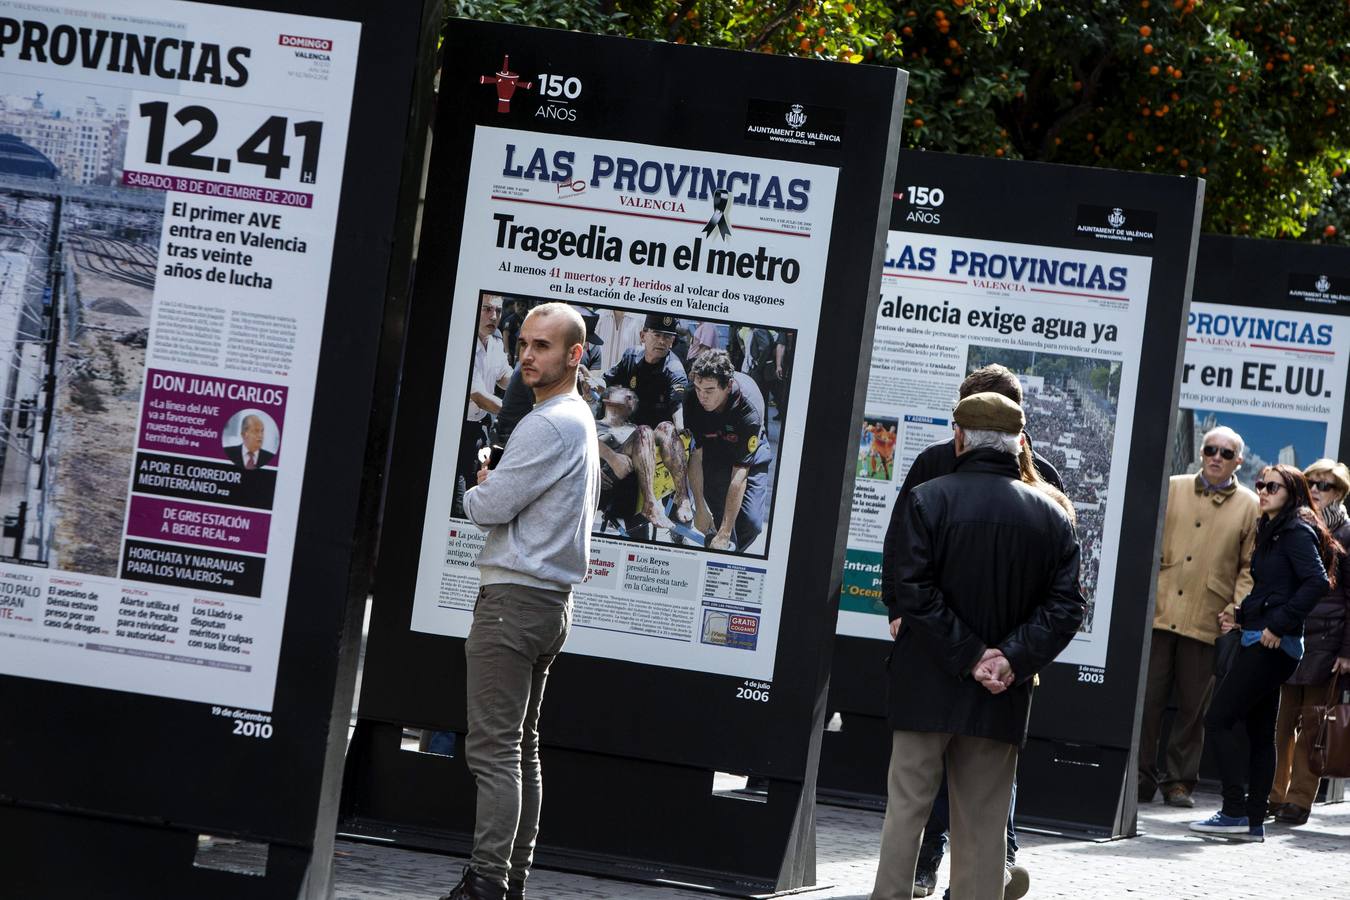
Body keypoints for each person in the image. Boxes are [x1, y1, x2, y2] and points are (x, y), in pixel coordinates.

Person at [871, 392, 1084, 900]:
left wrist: (970, 655)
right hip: (1002, 692)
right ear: (1019, 443)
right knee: (986, 824)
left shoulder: (929, 498)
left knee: (907, 810)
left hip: (926, 682)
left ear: (960, 436)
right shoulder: (1055, 515)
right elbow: (1066, 608)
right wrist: (1005, 659)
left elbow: (913, 592)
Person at [442, 303, 600, 900]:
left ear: (575, 355)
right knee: (520, 748)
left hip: (513, 602)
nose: (528, 356)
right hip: (547, 604)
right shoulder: (577, 417)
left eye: (543, 346)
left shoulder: (547, 423)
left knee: (492, 751)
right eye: (524, 344)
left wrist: (483, 486)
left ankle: (485, 884)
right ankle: (507, 884)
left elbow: (486, 508)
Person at [1190, 464, 1337, 843]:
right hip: (1261, 637)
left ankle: (1235, 810)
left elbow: (1317, 582)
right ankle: (1254, 821)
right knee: (1260, 733)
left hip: (1273, 644)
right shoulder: (1273, 529)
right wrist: (1243, 614)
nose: (1264, 490)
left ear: (1293, 492)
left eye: (1273, 486)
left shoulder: (1294, 529)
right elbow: (1273, 588)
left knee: (1219, 719)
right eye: (1261, 484)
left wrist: (1278, 625)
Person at [1138, 426, 1259, 809]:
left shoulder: (1250, 505)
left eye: (1226, 453)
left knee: (1193, 710)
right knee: (1147, 702)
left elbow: (1249, 566)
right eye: (1211, 449)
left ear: (1238, 460)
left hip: (1208, 618)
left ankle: (1179, 782)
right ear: (1201, 452)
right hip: (1158, 614)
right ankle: (1140, 778)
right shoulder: (1172, 487)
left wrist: (1235, 609)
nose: (1216, 457)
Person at [1267, 459, 1350, 825]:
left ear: (1341, 493)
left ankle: (1299, 800)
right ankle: (1274, 793)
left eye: (1326, 485)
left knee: (1314, 724)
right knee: (1282, 722)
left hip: (1328, 640)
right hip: (1291, 631)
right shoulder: (1295, 525)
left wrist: (1347, 652)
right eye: (1311, 481)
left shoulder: (1347, 534)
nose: (1316, 489)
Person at [604, 313, 691, 524]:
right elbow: (606, 381)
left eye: (668, 337)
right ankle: (650, 504)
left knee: (667, 428)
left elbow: (677, 403)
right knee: (641, 431)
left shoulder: (674, 369)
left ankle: (682, 496)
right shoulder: (630, 357)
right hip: (628, 441)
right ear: (643, 335)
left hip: (660, 448)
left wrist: (680, 427)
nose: (662, 341)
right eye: (657, 334)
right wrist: (590, 383)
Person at [684, 349, 773, 552]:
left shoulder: (748, 409)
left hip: (748, 457)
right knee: (718, 519)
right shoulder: (691, 397)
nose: (701, 397)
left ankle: (725, 550)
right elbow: (696, 456)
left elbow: (739, 474)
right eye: (698, 388)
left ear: (727, 386)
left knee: (751, 525)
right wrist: (699, 507)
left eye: (709, 390)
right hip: (713, 453)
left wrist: (724, 534)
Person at [456, 294, 513, 517]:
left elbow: (503, 376)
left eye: (497, 310)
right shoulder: (465, 342)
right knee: (462, 489)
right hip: (461, 429)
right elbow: (477, 395)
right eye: (487, 309)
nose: (494, 316)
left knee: (482, 483)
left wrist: (524, 385)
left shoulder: (496, 341)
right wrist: (514, 412)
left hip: (481, 426)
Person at [594, 385, 676, 530]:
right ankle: (650, 505)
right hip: (603, 486)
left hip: (634, 491)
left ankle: (656, 503)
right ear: (607, 401)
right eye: (623, 393)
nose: (629, 396)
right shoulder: (592, 425)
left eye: (632, 396)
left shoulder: (636, 431)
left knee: (661, 429)